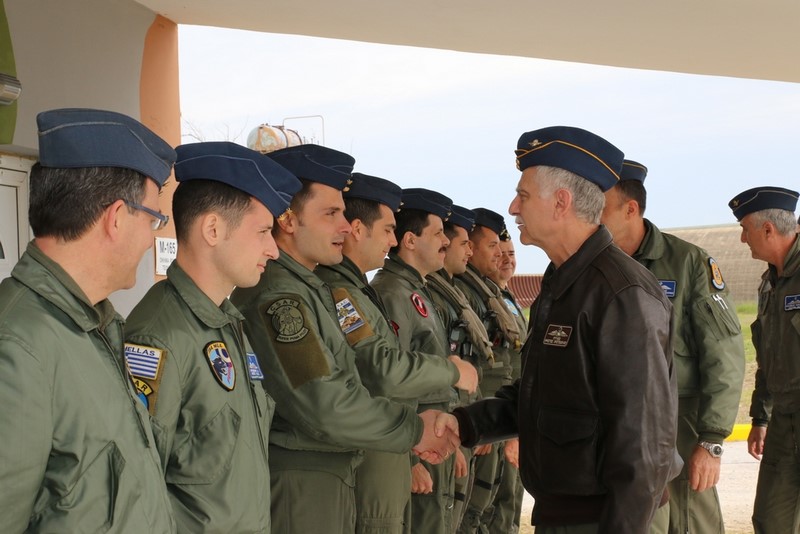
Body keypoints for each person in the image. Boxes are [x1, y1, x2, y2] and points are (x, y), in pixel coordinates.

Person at [450, 126, 682, 533]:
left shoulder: (621, 293)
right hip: (564, 514)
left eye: (523, 196)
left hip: (604, 519)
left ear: (561, 203)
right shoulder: (563, 281)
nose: (513, 207)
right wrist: (465, 424)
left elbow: (644, 441)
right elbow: (544, 394)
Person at [229, 145, 459, 534]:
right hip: (303, 482)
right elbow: (324, 402)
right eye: (331, 213)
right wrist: (414, 429)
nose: (345, 226)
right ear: (288, 219)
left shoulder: (309, 289)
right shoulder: (280, 297)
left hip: (327, 473)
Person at [0, 108, 176, 532]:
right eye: (153, 219)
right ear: (116, 217)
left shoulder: (97, 325)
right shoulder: (19, 344)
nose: (151, 237)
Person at [124, 142, 302, 532]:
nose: (274, 250)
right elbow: (137, 490)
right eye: (263, 231)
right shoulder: (160, 337)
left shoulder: (226, 323)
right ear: (213, 229)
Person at [314, 172, 478, 534]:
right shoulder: (356, 291)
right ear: (360, 229)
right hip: (385, 445)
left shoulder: (367, 289)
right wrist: (452, 370)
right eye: (388, 229)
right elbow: (383, 371)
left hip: (404, 437)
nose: (391, 240)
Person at [601, 160, 745, 534]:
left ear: (630, 209)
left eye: (601, 205)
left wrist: (711, 441)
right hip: (616, 425)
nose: (592, 215)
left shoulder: (688, 263)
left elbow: (724, 355)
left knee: (689, 521)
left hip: (681, 424)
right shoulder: (592, 266)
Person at [371, 188, 459, 534]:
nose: (446, 242)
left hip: (431, 438)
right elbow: (387, 379)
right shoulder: (392, 292)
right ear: (410, 240)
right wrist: (407, 458)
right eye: (438, 234)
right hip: (415, 442)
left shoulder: (416, 290)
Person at [728, 186, 800, 534]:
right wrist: (760, 416)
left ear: (768, 229)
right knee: (771, 520)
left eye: (746, 229)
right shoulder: (768, 285)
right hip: (784, 419)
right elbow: (768, 357)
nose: (743, 239)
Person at [424, 204, 494, 530]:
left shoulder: (455, 295)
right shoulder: (423, 295)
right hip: (436, 428)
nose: (470, 251)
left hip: (457, 418)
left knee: (471, 512)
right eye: (464, 243)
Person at [454, 207, 521, 534]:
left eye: (505, 249)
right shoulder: (466, 292)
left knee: (499, 501)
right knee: (477, 507)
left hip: (500, 408)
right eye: (493, 246)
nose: (500, 255)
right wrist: (478, 416)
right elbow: (468, 360)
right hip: (484, 408)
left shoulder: (493, 293)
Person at [485, 236, 529, 534]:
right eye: (499, 253)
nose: (506, 259)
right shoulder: (485, 300)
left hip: (514, 412)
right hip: (498, 415)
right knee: (497, 504)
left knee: (512, 498)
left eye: (511, 253)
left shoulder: (508, 298)